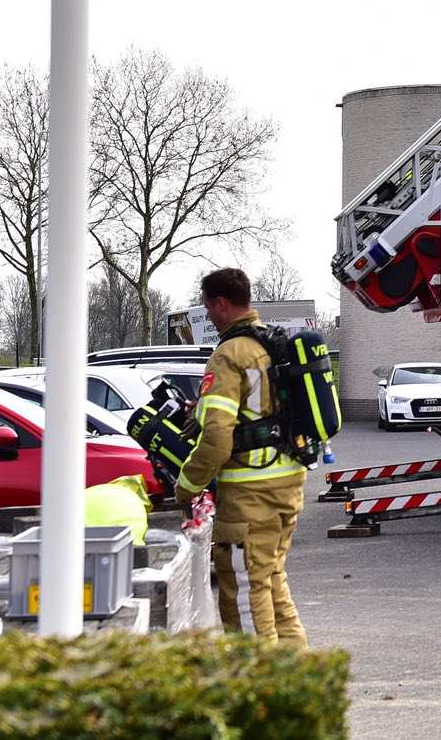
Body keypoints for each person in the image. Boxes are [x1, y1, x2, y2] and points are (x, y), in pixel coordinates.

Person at [175, 267, 309, 647]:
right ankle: (296, 665)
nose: (208, 315)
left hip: (250, 493)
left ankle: (256, 673)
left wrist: (186, 486)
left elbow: (218, 438)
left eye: (207, 307)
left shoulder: (229, 354)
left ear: (220, 303)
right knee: (271, 579)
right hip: (288, 482)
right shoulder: (273, 343)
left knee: (244, 587)